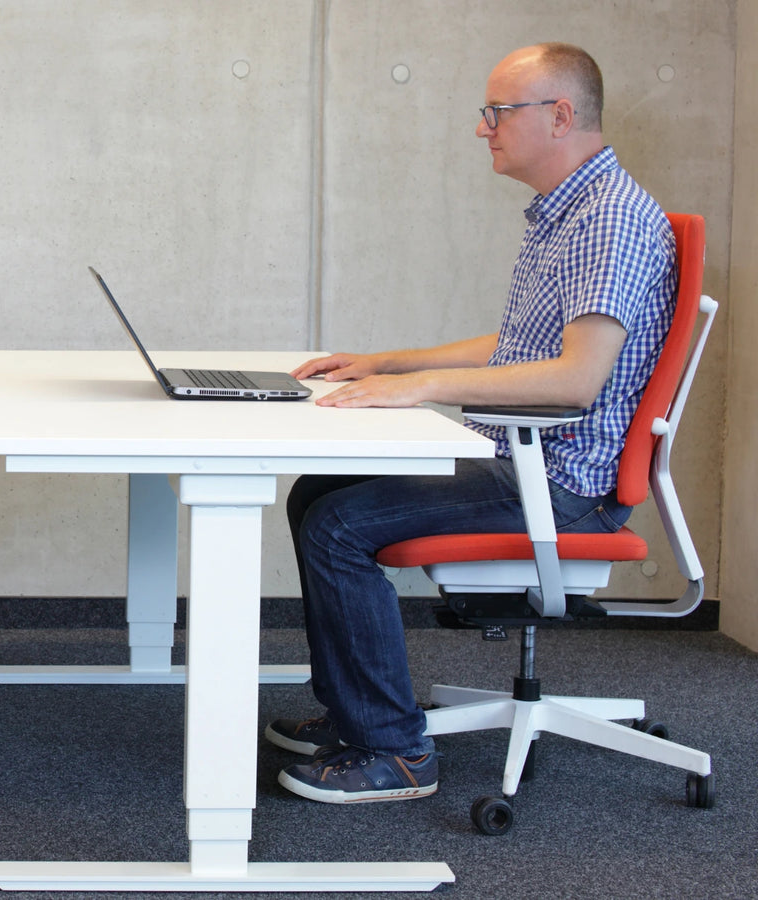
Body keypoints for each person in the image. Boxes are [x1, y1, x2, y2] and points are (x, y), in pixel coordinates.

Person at [267, 42, 677, 804]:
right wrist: (390, 365)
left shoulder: (609, 219)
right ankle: (355, 711)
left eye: (498, 112)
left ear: (560, 116)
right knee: (315, 492)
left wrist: (421, 388)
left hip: (560, 483)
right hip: (520, 457)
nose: (483, 128)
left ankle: (395, 751)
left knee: (336, 526)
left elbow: (574, 378)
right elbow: (520, 346)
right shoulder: (567, 210)